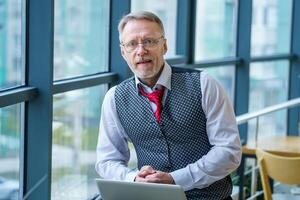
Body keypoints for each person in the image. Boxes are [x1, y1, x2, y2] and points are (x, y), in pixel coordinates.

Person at [95, 11, 241, 200]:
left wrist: (175, 179)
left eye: (149, 41)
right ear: (124, 52)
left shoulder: (204, 84)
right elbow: (107, 160)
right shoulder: (114, 98)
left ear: (164, 45)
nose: (141, 51)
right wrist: (133, 178)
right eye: (132, 44)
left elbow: (228, 151)